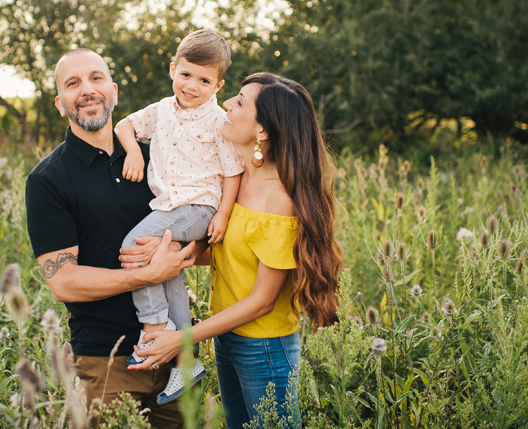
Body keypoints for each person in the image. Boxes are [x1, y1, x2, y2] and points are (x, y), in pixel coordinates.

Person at [123, 73, 344, 429]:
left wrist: (181, 339)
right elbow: (229, 250)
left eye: (240, 102)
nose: (226, 103)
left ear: (263, 132)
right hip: (225, 334)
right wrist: (174, 250)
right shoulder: (239, 176)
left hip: (264, 348)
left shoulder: (280, 199)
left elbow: (263, 300)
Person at [24, 48, 197, 429]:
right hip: (109, 362)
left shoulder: (159, 157)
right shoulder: (48, 181)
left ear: (114, 92)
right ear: (60, 103)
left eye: (96, 78)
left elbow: (203, 224)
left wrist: (186, 247)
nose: (87, 90)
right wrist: (147, 274)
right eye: (73, 84)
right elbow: (64, 282)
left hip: (178, 357)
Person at [115, 30, 243, 404]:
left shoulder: (218, 121)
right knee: (167, 268)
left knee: (134, 246)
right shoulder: (161, 110)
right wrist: (134, 153)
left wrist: (221, 215)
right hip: (170, 206)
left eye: (204, 80)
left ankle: (155, 327)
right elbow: (125, 125)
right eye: (186, 74)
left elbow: (232, 172)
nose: (192, 86)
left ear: (218, 84)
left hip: (198, 208)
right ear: (173, 69)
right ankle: (185, 360)